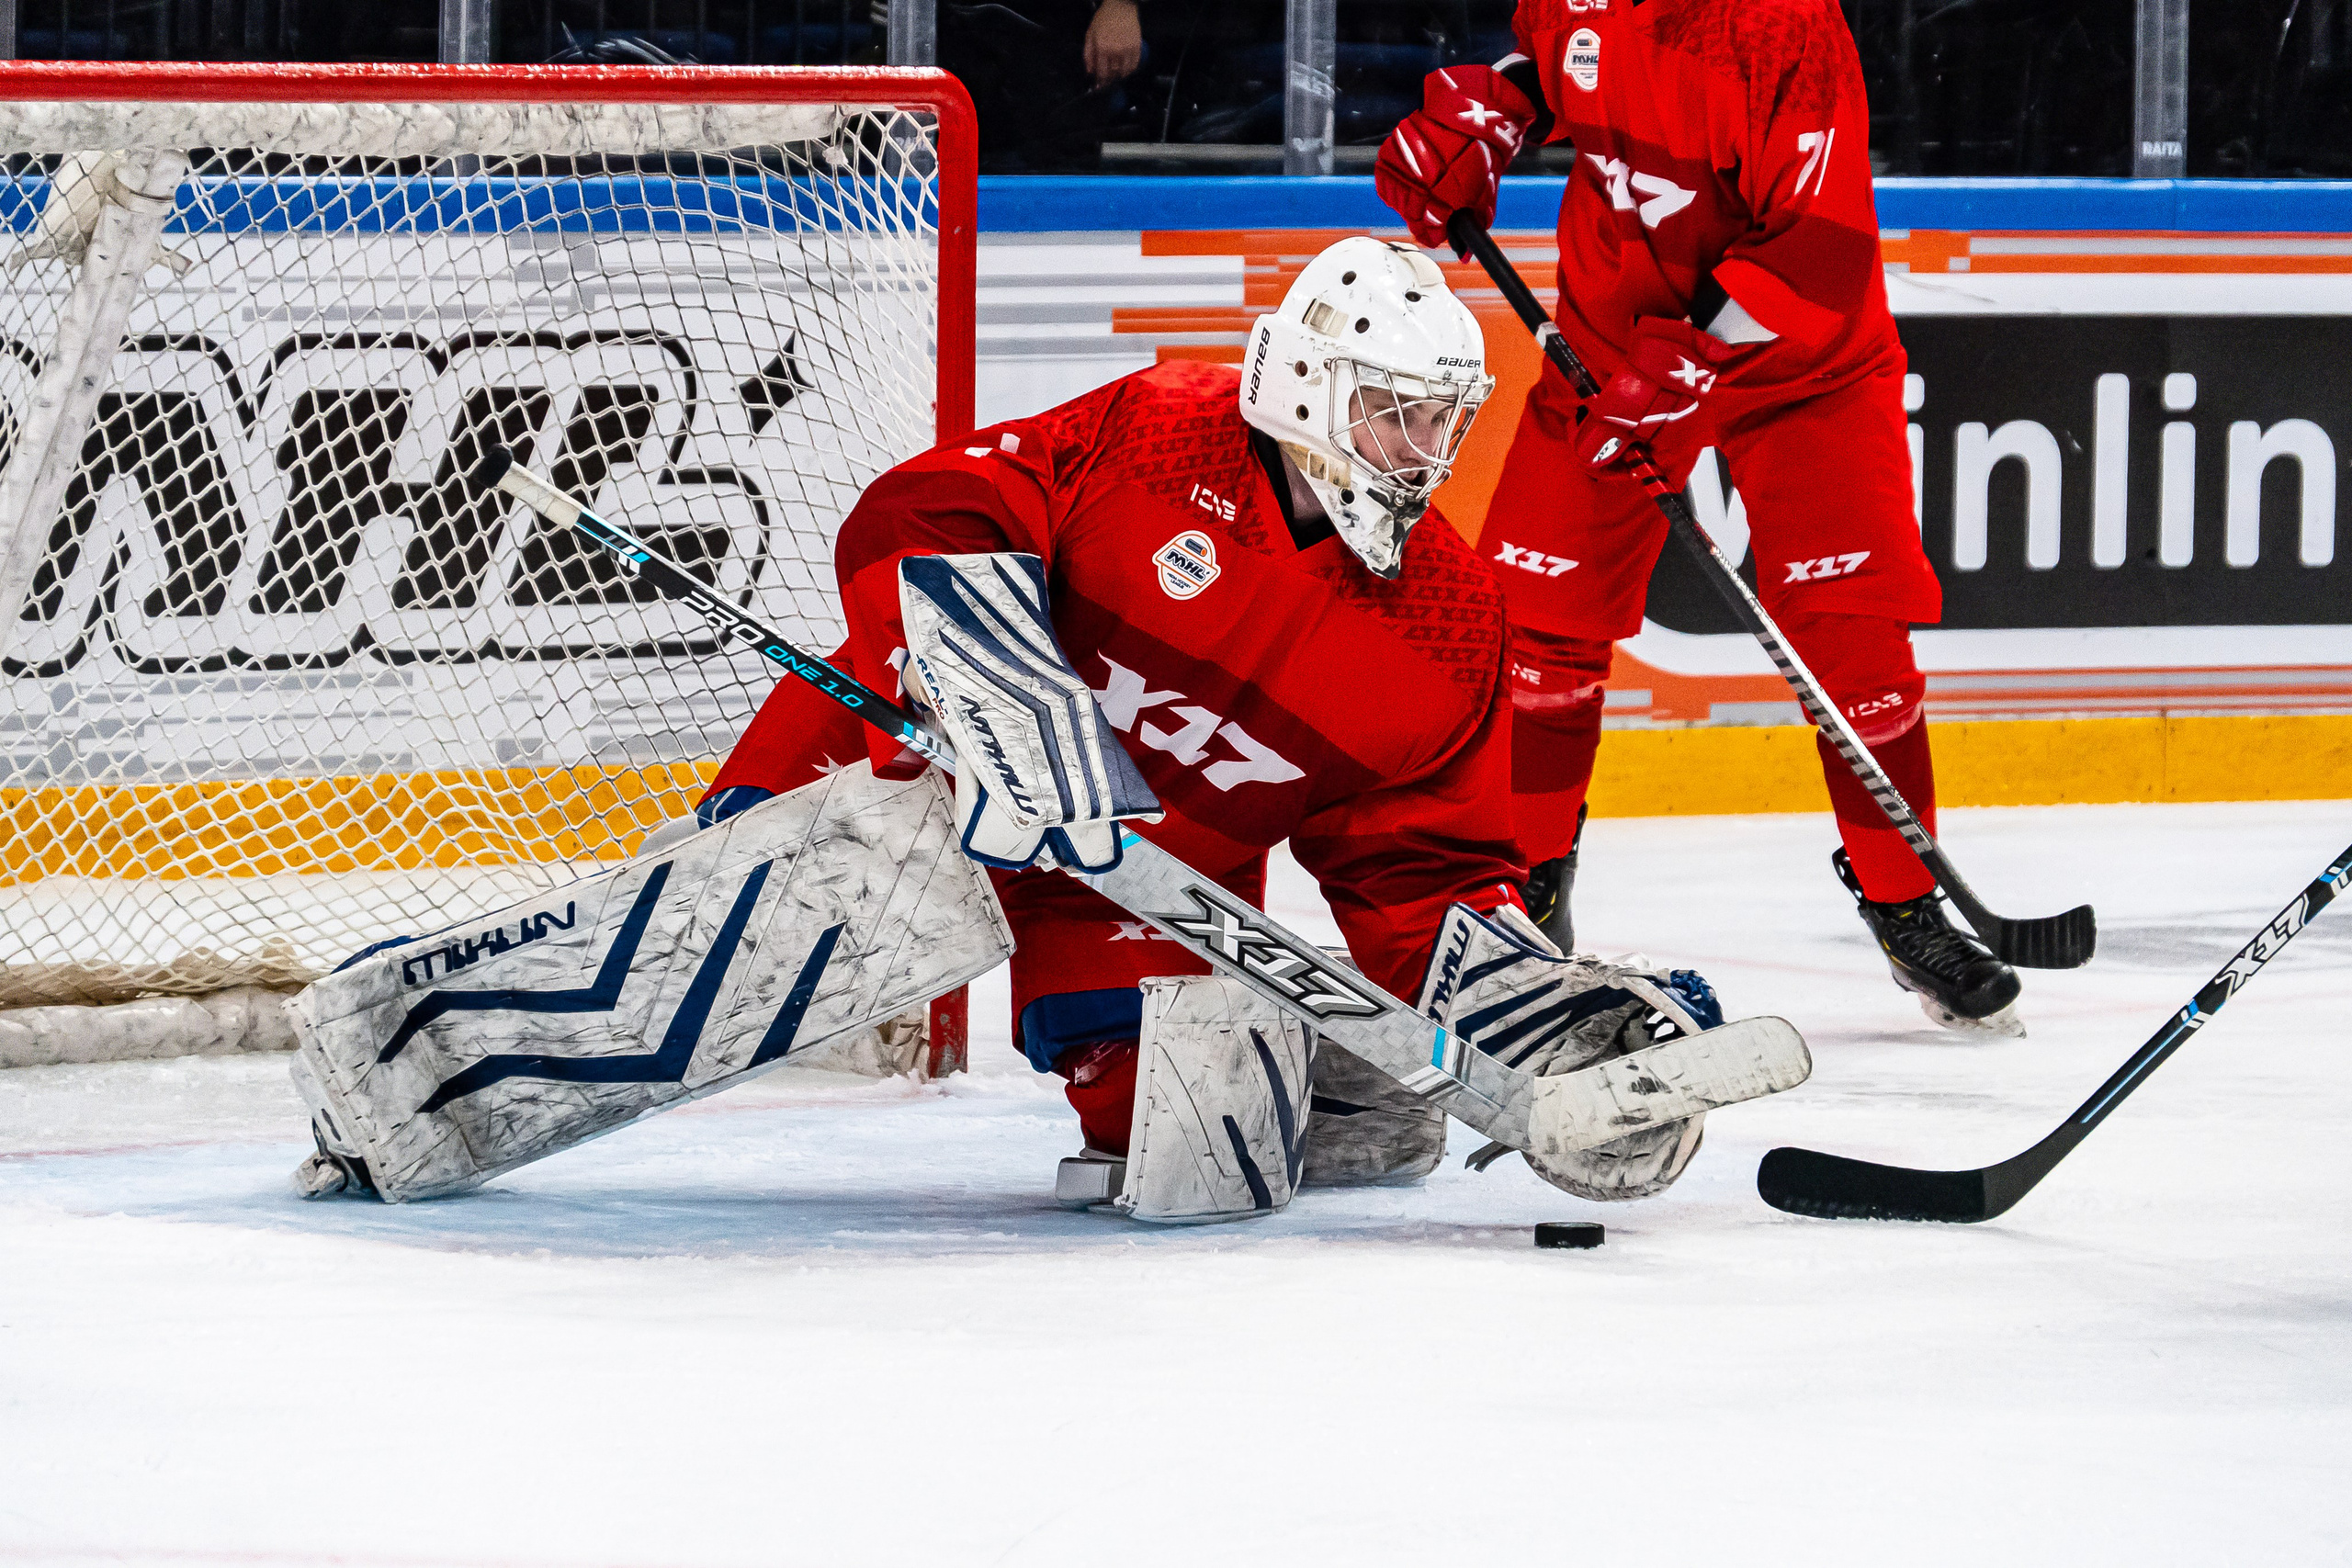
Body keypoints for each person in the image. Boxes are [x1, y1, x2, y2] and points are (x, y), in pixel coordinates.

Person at [694, 237, 1730, 1204]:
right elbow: (932, 508)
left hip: (1141, 887)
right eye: (1394, 411)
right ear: (1307, 388)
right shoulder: (1156, 432)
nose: (1423, 450)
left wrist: (1536, 1023)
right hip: (923, 776)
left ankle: (1336, 1079)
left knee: (1195, 1144)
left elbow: (1422, 875)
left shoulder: (1449, 627)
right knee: (714, 940)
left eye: (1441, 420)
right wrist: (1000, 692)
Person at [1373, 0, 2023, 1033]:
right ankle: (1526, 893)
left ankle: (1905, 903)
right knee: (1536, 632)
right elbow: (1572, 65)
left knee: (1852, 643)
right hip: (1611, 345)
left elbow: (1821, 241)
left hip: (1802, 368)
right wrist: (1498, 106)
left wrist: (1700, 353)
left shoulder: (1779, 25)